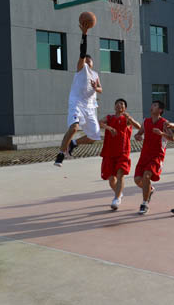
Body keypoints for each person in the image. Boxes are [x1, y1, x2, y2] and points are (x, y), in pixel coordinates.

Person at [55, 22, 102, 166]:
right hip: (77, 103)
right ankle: (61, 154)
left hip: (90, 107)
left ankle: (73, 143)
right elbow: (82, 52)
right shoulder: (82, 68)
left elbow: (100, 89)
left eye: (89, 61)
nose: (87, 62)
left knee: (94, 136)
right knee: (74, 127)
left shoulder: (95, 74)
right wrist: (84, 34)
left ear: (92, 62)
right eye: (85, 60)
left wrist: (96, 88)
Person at [99, 98, 141, 210]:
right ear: (114, 107)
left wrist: (130, 119)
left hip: (123, 152)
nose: (119, 105)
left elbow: (139, 126)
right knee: (111, 179)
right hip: (109, 151)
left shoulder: (126, 119)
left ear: (125, 108)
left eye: (122, 104)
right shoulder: (109, 118)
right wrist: (109, 128)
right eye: (117, 104)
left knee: (120, 173)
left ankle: (116, 198)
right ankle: (119, 193)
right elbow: (99, 122)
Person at [134, 101, 174, 215]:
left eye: (155, 105)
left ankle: (144, 203)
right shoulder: (146, 121)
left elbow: (172, 138)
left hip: (157, 155)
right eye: (152, 105)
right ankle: (150, 190)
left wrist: (162, 133)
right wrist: (137, 136)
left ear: (160, 110)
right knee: (137, 180)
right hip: (144, 155)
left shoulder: (164, 123)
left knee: (146, 176)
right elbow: (138, 134)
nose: (152, 106)